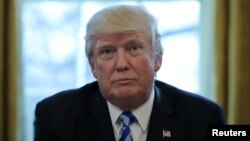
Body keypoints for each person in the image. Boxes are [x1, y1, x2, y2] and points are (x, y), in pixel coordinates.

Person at [34, 5, 225, 141]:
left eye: (134, 48)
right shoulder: (55, 116)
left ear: (157, 59)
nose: (121, 64)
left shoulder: (204, 117)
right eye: (107, 51)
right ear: (93, 66)